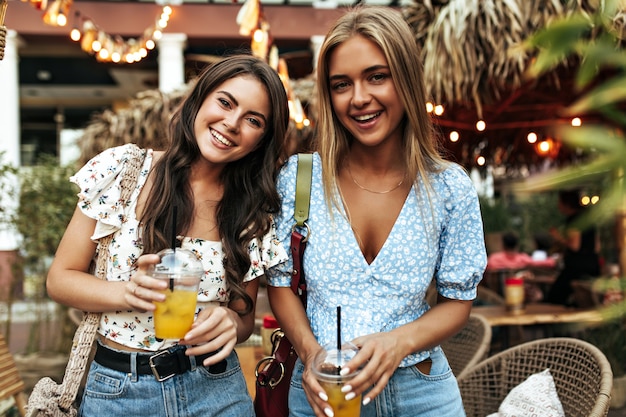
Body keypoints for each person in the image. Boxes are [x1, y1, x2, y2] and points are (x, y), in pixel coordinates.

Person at [266, 7, 487, 417]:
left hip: (422, 393)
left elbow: (458, 300)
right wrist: (312, 353)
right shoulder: (298, 179)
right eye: (341, 84)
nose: (359, 98)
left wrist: (397, 342)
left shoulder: (448, 187)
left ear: (405, 78)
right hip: (325, 392)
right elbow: (279, 283)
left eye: (376, 76)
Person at [46, 54, 290, 417]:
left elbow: (242, 318)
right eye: (225, 102)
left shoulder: (251, 210)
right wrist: (127, 291)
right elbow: (59, 279)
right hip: (118, 392)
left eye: (253, 120)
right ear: (200, 100)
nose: (232, 123)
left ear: (261, 140)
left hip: (217, 391)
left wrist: (232, 324)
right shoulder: (123, 170)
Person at [546, 189, 601, 306]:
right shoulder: (589, 219)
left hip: (576, 268)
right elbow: (597, 247)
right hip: (593, 266)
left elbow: (574, 246)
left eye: (559, 202)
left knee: (554, 298)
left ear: (566, 203)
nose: (558, 206)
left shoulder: (574, 219)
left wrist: (558, 237)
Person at [486, 231, 556, 271]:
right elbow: (545, 263)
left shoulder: (494, 259)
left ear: (503, 245)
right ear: (517, 245)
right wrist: (552, 260)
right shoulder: (522, 258)